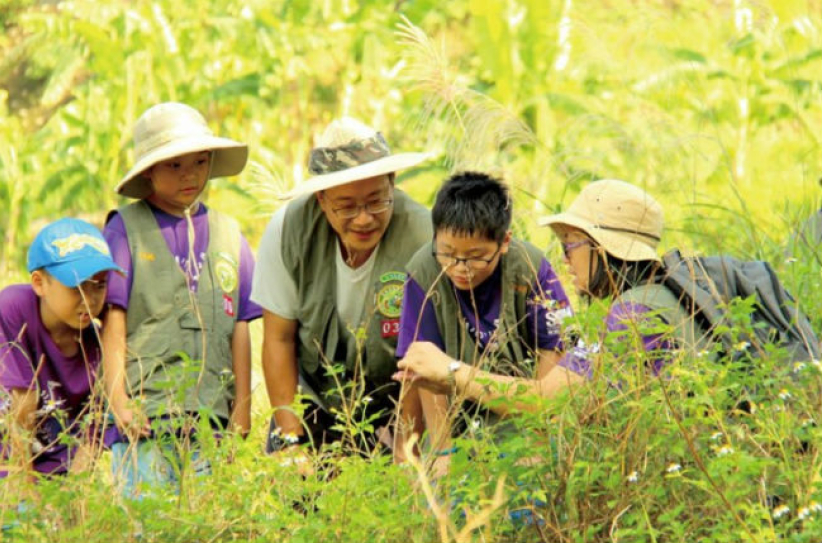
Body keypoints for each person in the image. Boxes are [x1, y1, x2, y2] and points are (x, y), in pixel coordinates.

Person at [101, 102, 261, 497]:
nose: (190, 174)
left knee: (210, 525)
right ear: (149, 171)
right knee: (149, 524)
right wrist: (119, 401)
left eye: (200, 162)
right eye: (174, 165)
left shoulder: (230, 235)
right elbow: (113, 320)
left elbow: (239, 327)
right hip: (146, 418)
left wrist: (242, 411)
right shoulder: (125, 229)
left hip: (213, 423)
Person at [251, 116, 431, 458]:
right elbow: (278, 338)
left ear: (392, 183)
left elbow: (422, 354)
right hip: (313, 401)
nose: (364, 219)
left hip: (397, 404)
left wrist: (407, 450)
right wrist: (290, 441)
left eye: (377, 201)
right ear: (321, 198)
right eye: (346, 206)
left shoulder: (423, 236)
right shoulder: (288, 230)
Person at [393, 172, 574, 457]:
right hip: (458, 426)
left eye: (476, 256)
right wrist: (442, 452)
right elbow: (424, 371)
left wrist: (540, 440)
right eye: (447, 252)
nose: (460, 267)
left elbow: (553, 349)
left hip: (522, 415)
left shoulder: (529, 266)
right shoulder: (423, 271)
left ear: (504, 242)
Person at [1, 218, 123, 483]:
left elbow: (96, 425)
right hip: (11, 468)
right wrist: (24, 487)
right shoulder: (13, 308)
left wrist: (73, 493)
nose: (89, 300)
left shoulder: (101, 341)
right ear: (39, 283)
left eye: (99, 285)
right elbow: (23, 401)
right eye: (77, 287)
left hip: (60, 478)